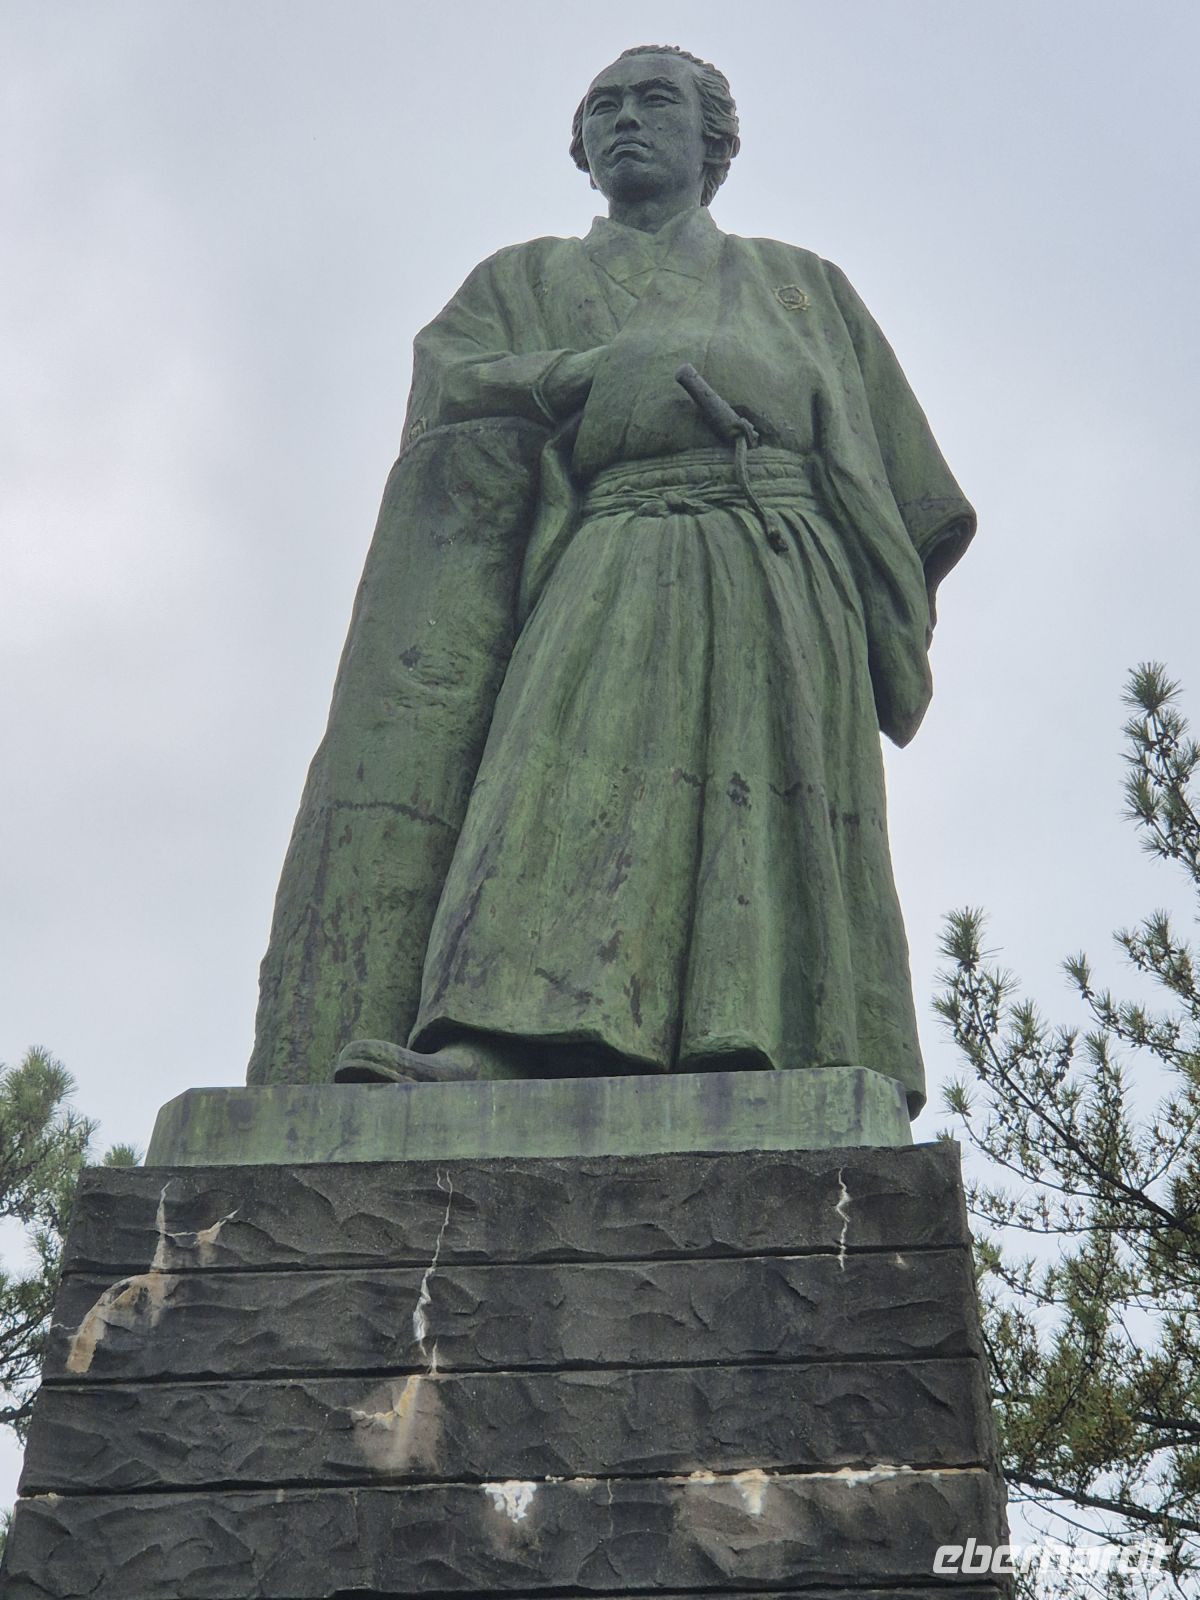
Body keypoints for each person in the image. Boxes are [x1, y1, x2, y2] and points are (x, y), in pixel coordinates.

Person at [247, 45, 975, 1117]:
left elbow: (909, 496)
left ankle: (763, 1044)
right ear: (581, 149)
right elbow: (453, 386)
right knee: (550, 777)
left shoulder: (803, 287)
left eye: (655, 101)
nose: (626, 120)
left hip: (777, 567)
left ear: (715, 143)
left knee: (760, 793)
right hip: (608, 542)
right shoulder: (522, 282)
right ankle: (497, 1038)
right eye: (605, 107)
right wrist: (571, 372)